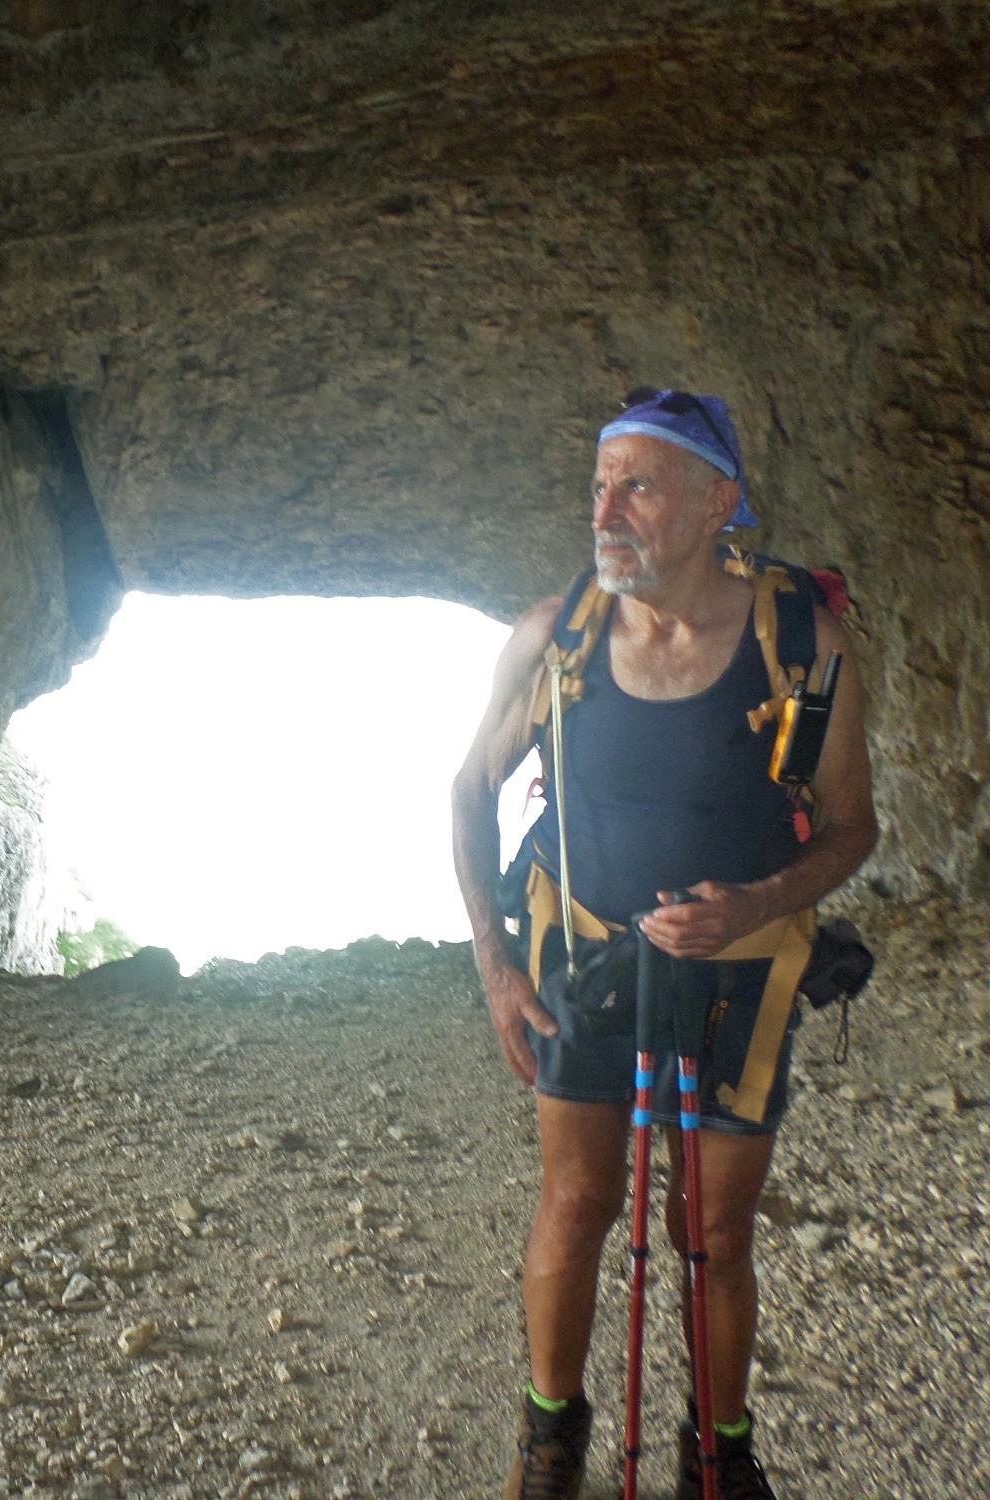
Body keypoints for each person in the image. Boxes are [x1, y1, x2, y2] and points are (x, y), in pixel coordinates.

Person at [452, 389, 877, 1500]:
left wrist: (752, 905)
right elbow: (467, 789)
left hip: (740, 970)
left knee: (715, 1232)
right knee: (576, 1204)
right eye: (599, 486)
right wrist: (497, 969)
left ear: (712, 503)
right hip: (581, 961)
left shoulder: (802, 645)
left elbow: (850, 827)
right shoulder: (556, 635)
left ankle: (718, 1455)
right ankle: (549, 1440)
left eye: (636, 486)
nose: (606, 511)